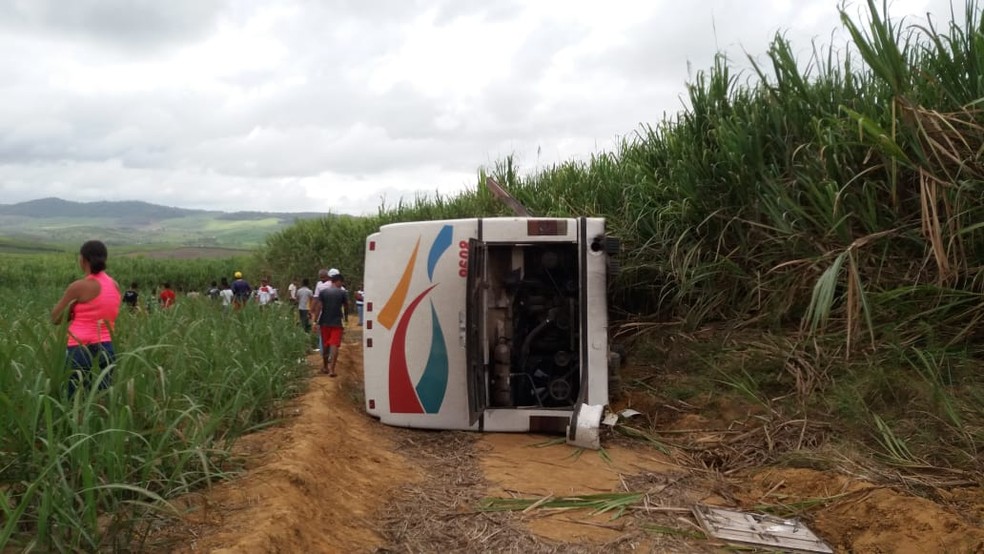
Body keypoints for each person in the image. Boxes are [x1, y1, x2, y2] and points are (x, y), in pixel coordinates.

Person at [51, 240, 121, 396]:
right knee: (100, 398)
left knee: (74, 399)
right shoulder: (114, 285)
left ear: (83, 260)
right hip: (107, 347)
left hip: (80, 347)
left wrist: (72, 311)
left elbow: (55, 318)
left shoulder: (79, 286)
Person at [311, 273, 348, 376]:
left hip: (324, 322)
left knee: (325, 345)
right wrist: (346, 320)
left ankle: (325, 367)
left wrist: (315, 321)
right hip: (337, 323)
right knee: (334, 345)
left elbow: (319, 307)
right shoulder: (342, 293)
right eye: (342, 282)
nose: (342, 284)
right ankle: (332, 370)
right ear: (338, 281)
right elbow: (346, 307)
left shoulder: (323, 292)